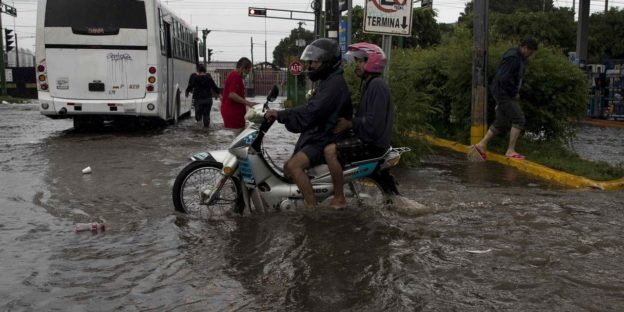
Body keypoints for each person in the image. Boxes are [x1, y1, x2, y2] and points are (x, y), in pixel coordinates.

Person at [265, 38, 353, 209]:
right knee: (287, 168)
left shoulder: (334, 84)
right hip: (320, 133)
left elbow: (312, 111)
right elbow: (311, 108)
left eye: (315, 61)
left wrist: (282, 114)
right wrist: (282, 114)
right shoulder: (329, 81)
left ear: (328, 62)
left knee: (293, 166)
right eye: (311, 61)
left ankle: (312, 210)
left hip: (327, 136)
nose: (311, 65)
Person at [323, 42, 394, 210]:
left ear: (371, 62)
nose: (357, 65)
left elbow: (374, 123)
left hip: (372, 143)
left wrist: (349, 123)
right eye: (357, 61)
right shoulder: (371, 85)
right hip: (369, 138)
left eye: (360, 61)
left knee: (330, 151)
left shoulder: (377, 86)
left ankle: (339, 198)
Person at [472, 37, 538, 161]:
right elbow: (504, 78)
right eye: (531, 52)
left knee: (501, 121)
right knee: (519, 119)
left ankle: (481, 145)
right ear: (525, 48)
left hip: (501, 92)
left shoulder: (516, 55)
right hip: (504, 93)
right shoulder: (513, 57)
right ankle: (510, 150)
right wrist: (513, 93)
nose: (530, 55)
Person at [220, 57, 258, 129]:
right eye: (247, 71)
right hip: (233, 113)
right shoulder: (235, 76)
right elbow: (232, 95)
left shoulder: (234, 75)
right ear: (242, 68)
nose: (247, 74)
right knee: (236, 136)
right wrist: (248, 103)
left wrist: (247, 105)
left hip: (234, 112)